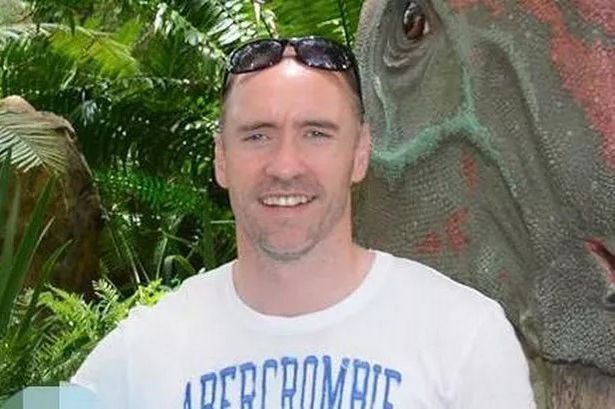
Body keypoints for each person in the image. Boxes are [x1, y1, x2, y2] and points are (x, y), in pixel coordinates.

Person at [71, 36, 536, 409]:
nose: (285, 165)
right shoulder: (142, 352)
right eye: (258, 135)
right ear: (221, 158)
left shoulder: (464, 337)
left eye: (316, 133)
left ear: (359, 153)